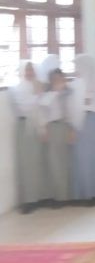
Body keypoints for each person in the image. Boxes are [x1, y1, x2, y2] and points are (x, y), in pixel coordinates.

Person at [70, 55, 95, 206]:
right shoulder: (76, 84)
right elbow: (74, 105)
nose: (77, 69)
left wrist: (89, 102)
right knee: (82, 159)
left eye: (79, 65)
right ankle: (84, 193)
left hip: (93, 122)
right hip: (80, 124)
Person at [10, 61, 47, 213]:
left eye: (32, 70)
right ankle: (27, 201)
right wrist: (38, 96)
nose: (30, 73)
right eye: (27, 70)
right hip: (25, 128)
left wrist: (43, 128)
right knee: (26, 165)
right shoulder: (18, 88)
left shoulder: (36, 86)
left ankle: (38, 197)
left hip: (37, 127)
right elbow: (25, 107)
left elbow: (42, 108)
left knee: (38, 163)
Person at [40, 68, 75, 207]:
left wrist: (71, 130)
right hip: (52, 128)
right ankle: (56, 196)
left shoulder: (68, 93)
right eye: (54, 78)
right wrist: (44, 130)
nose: (57, 80)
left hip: (65, 127)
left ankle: (66, 196)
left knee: (66, 162)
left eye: (60, 77)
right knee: (54, 163)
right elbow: (43, 113)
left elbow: (71, 112)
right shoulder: (47, 94)